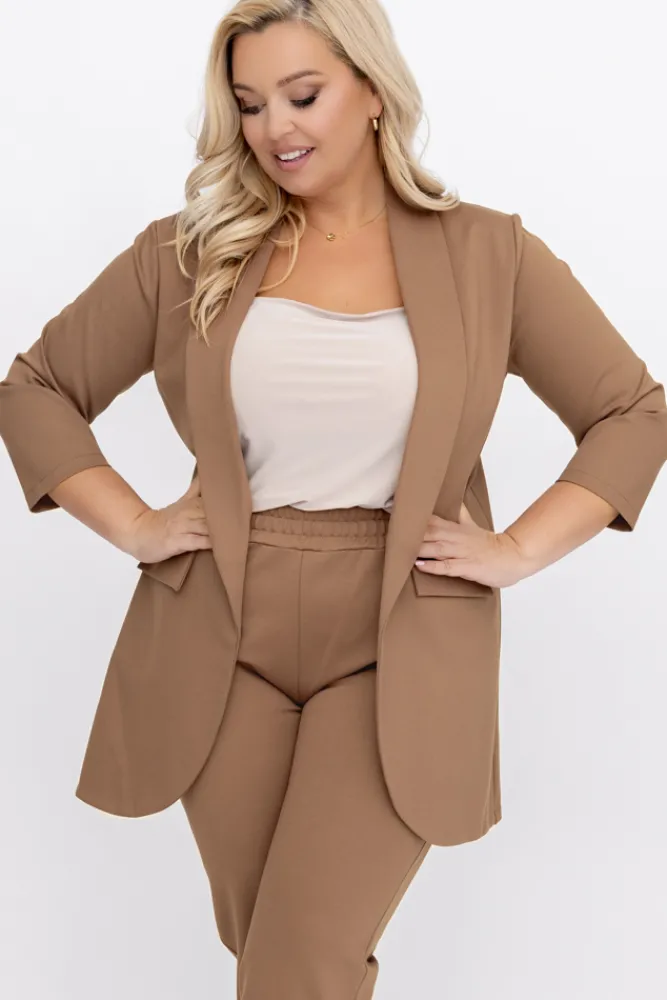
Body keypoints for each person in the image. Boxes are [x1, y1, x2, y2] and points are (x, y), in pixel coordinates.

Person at [1, 1, 666, 998]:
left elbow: (631, 411)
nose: (274, 127)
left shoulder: (487, 253)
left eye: (302, 95)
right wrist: (135, 524)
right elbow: (36, 390)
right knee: (271, 951)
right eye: (249, 103)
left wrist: (519, 548)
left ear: (371, 91)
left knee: (300, 955)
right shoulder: (188, 252)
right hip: (218, 627)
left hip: (399, 630)